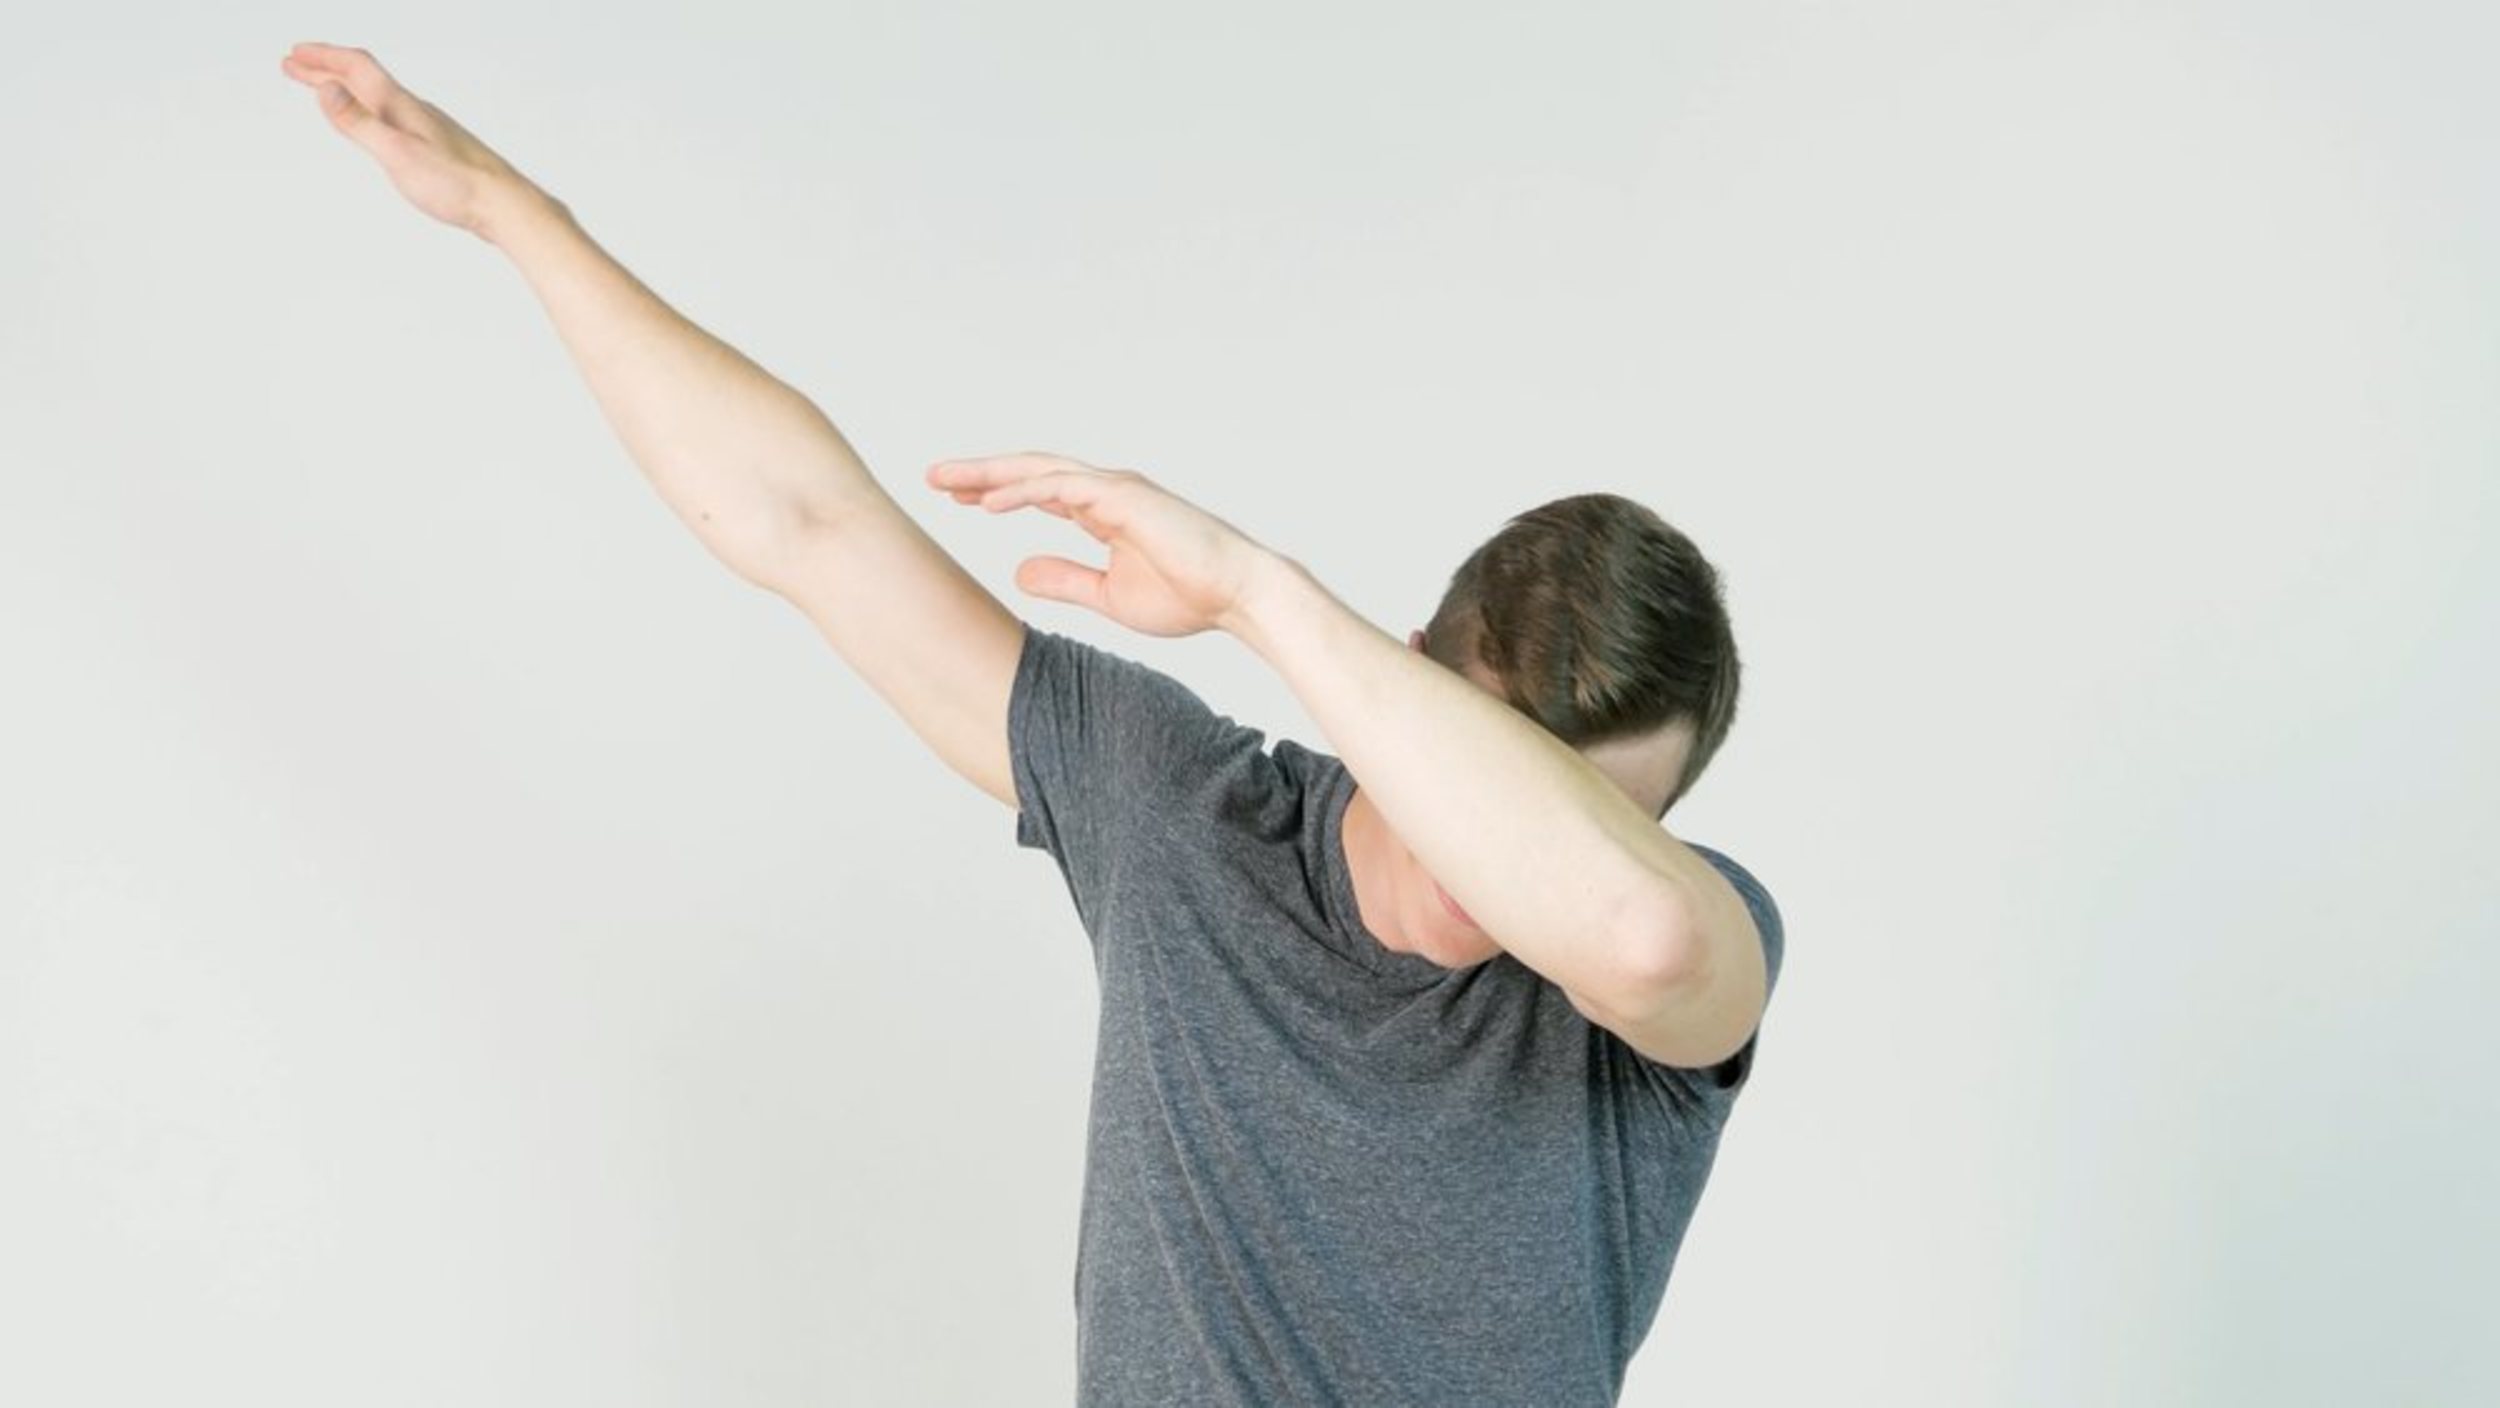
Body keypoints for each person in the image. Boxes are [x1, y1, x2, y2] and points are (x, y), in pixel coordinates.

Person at [280, 42, 1786, 1406]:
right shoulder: (1192, 813)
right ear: (1408, 678)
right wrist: (511, 214)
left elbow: (1647, 938)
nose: (1511, 867)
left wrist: (1254, 591)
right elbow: (806, 522)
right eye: (1495, 761)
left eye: (1595, 818)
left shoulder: (1680, 971)